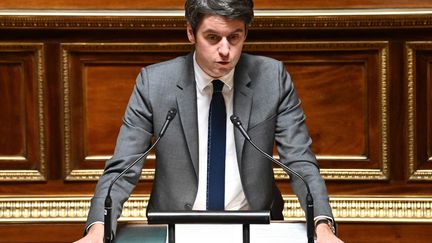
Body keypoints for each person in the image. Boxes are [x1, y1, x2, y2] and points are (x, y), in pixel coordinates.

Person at [75, 0, 344, 242]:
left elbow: (300, 160)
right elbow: (123, 167)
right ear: (191, 33)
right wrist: (98, 229)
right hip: (176, 227)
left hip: (255, 226)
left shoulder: (273, 78)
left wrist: (322, 225)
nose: (225, 50)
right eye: (213, 38)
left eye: (234, 37)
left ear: (245, 34)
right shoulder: (154, 84)